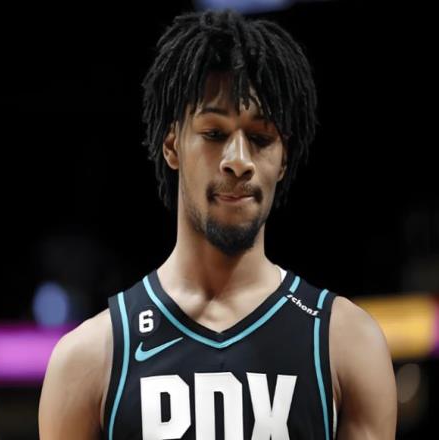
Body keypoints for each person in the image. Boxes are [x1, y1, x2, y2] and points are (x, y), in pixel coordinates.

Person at [38, 8, 397, 439]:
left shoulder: (347, 344)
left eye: (260, 138)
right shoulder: (89, 359)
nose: (239, 160)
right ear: (172, 145)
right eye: (214, 133)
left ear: (283, 159)